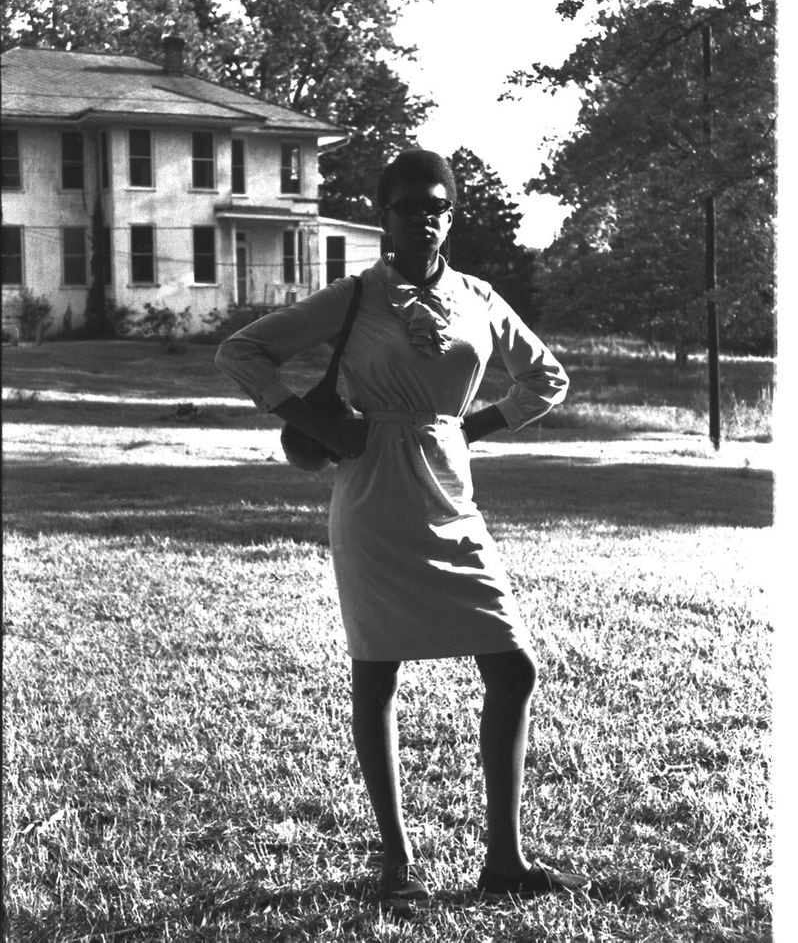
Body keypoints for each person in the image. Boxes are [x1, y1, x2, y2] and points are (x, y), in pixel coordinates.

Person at [215, 149, 590, 903]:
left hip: (451, 490)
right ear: (384, 214)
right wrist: (307, 416)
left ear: (452, 216)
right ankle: (396, 863)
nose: (427, 217)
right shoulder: (353, 297)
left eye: (439, 206)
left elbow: (546, 377)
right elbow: (243, 350)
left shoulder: (480, 297)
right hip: (372, 490)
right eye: (411, 205)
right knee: (378, 670)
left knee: (514, 666)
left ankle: (503, 862)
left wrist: (465, 430)